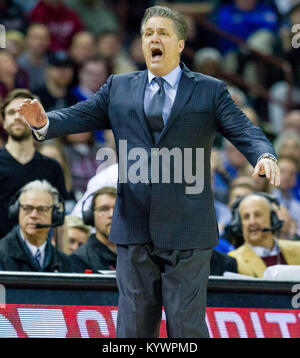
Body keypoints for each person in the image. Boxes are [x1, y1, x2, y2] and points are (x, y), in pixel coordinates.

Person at [17, 5, 280, 339]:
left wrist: (264, 154)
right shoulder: (119, 86)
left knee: (187, 330)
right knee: (133, 331)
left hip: (187, 229)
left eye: (163, 33)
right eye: (147, 34)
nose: (154, 39)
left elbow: (245, 130)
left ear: (181, 43)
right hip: (135, 226)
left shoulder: (210, 90)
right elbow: (81, 115)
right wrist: (45, 122)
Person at [0, 89, 67, 239]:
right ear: (4, 122)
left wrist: (63, 258)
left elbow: (61, 222)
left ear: (36, 119)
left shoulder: (52, 168)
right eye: (11, 112)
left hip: (40, 254)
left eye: (23, 112)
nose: (17, 117)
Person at [0, 180, 72, 272]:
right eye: (27, 208)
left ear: (54, 215)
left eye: (41, 209)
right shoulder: (1, 254)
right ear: (17, 211)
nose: (33, 215)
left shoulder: (64, 262)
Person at [228, 193, 300, 278]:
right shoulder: (233, 260)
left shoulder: (298, 249)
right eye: (246, 217)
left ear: (272, 219)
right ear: (240, 224)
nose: (252, 222)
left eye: (257, 215)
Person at [70, 187, 117, 273]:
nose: (111, 214)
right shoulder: (80, 259)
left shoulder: (137, 254)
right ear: (91, 216)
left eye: (117, 209)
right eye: (104, 209)